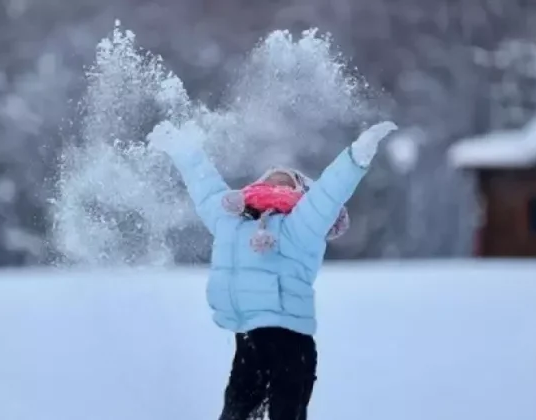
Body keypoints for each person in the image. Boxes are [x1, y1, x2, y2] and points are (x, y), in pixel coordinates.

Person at [147, 119, 397, 420]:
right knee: (235, 413)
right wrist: (182, 148)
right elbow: (205, 186)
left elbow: (329, 192)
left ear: (302, 194)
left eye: (287, 182)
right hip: (249, 341)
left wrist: (356, 156)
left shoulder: (300, 225)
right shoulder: (231, 221)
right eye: (271, 180)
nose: (277, 185)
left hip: (291, 344)